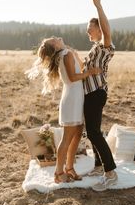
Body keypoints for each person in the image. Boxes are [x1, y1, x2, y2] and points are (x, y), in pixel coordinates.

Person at [26, 36, 101, 183]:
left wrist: (77, 55)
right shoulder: (65, 55)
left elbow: (80, 67)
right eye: (54, 39)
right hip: (72, 100)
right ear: (55, 47)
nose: (57, 37)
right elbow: (73, 77)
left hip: (76, 98)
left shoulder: (67, 53)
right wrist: (91, 72)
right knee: (67, 138)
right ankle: (59, 173)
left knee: (77, 135)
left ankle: (69, 168)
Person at [83, 0, 118, 191]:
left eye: (90, 28)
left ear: (99, 29)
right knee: (91, 133)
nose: (88, 32)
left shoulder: (105, 45)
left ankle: (110, 173)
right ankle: (98, 165)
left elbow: (107, 29)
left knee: (95, 134)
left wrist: (98, 5)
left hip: (96, 93)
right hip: (89, 94)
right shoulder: (94, 48)